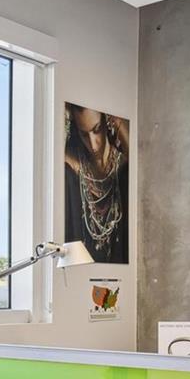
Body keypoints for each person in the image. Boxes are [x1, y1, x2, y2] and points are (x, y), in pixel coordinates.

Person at [63, 103, 129, 264]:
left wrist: (120, 126)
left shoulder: (124, 169)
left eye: (97, 130)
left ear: (107, 123)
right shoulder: (72, 168)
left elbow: (143, 172)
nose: (93, 144)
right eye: (84, 134)